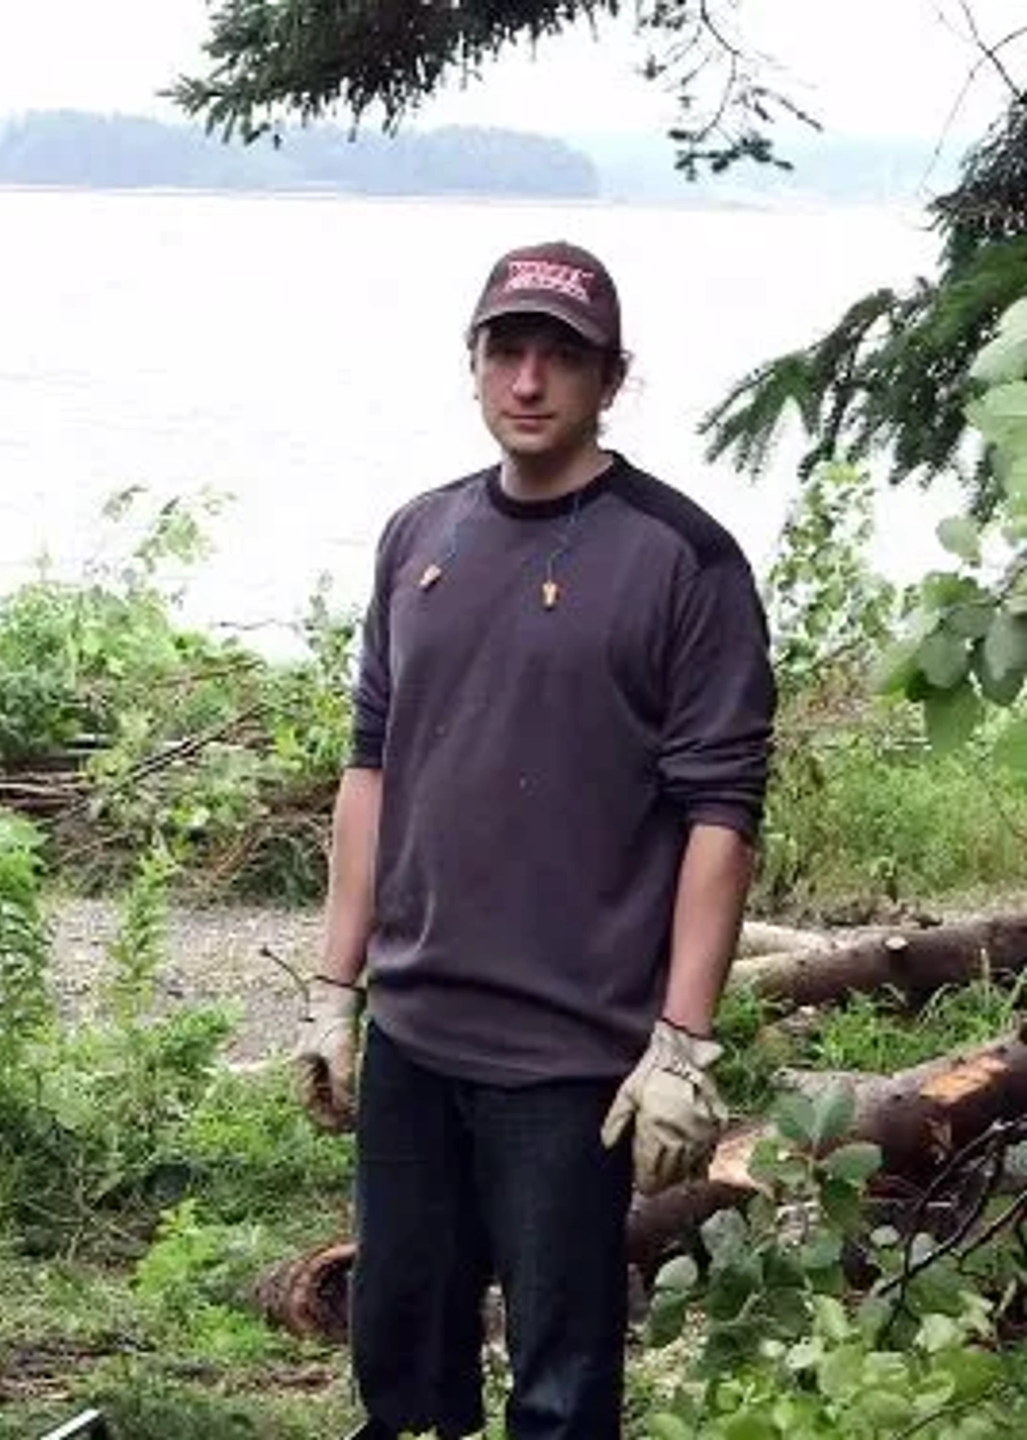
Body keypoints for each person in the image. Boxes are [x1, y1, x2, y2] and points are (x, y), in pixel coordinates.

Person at [291, 241, 776, 1440]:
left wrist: (683, 1044)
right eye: (506, 351)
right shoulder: (420, 538)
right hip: (416, 1032)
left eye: (561, 357)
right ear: (473, 365)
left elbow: (722, 814)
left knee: (559, 1384)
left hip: (571, 1064)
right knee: (401, 1356)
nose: (528, 381)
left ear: (612, 379)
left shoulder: (685, 561)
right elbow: (372, 768)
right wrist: (333, 989)